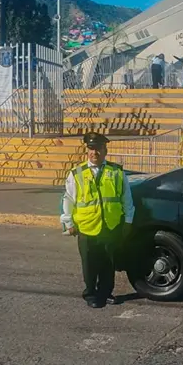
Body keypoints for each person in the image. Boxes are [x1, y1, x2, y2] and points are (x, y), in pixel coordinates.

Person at [60, 132, 135, 308]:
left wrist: (128, 221)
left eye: (98, 149)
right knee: (89, 263)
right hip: (86, 227)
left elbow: (126, 198)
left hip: (111, 225)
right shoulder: (76, 173)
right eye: (91, 149)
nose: (95, 153)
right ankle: (91, 293)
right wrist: (69, 223)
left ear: (105, 150)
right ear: (87, 151)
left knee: (108, 263)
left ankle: (105, 292)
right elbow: (68, 199)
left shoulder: (116, 171)